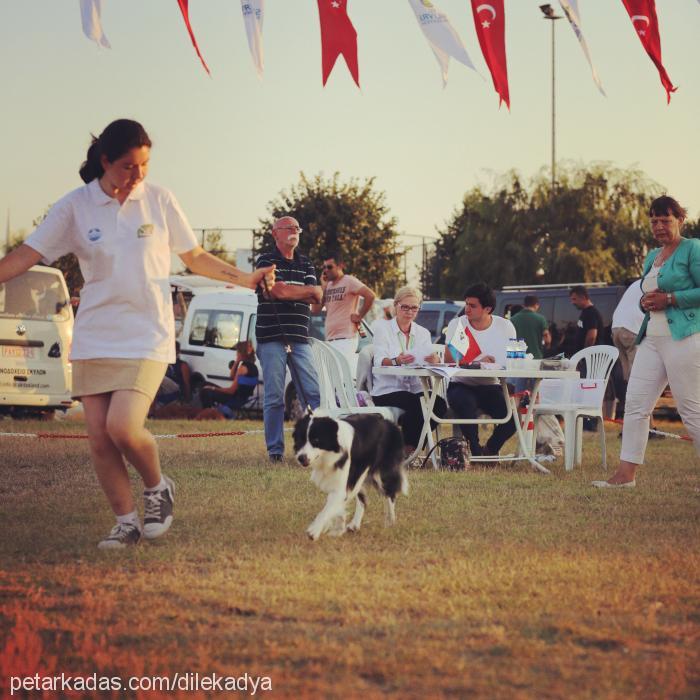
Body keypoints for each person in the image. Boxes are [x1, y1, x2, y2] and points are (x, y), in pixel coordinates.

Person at [0, 119, 274, 549]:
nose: (138, 175)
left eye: (144, 164)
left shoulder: (159, 200)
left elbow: (195, 257)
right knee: (98, 438)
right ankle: (126, 523)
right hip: (95, 333)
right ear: (106, 161)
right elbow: (27, 253)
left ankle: (157, 486)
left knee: (123, 427)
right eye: (129, 166)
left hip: (146, 332)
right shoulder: (75, 206)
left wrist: (245, 278)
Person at [594, 196, 700, 488]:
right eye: (654, 221)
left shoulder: (693, 248)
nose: (659, 226)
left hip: (684, 337)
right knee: (636, 406)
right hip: (651, 338)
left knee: (691, 411)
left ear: (681, 220)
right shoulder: (652, 255)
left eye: (665, 220)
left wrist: (669, 299)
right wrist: (646, 302)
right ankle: (625, 476)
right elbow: (647, 294)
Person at [255, 216, 321, 461]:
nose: (294, 231)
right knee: (274, 397)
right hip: (271, 337)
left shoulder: (306, 263)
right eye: (289, 228)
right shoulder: (266, 260)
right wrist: (303, 292)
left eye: (297, 228)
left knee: (313, 394)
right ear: (275, 233)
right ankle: (275, 452)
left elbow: (318, 296)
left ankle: (315, 446)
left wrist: (291, 292)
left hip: (300, 338)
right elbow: (276, 290)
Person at [444, 283, 517, 457]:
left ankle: (490, 451)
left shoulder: (505, 326)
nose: (467, 309)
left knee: (512, 418)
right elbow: (448, 359)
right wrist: (478, 361)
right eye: (466, 304)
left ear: (488, 309)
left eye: (472, 306)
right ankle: (474, 453)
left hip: (491, 385)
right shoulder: (458, 324)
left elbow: (513, 360)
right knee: (465, 403)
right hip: (461, 384)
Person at [371, 286, 446, 453]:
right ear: (396, 305)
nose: (410, 311)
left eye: (414, 307)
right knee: (416, 404)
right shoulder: (383, 329)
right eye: (405, 306)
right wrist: (397, 360)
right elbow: (379, 361)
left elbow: (428, 360)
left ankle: (409, 447)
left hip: (414, 388)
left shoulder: (422, 333)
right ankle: (408, 449)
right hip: (387, 390)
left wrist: (434, 360)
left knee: (439, 405)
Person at [312, 252, 375, 367]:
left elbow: (370, 295)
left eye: (330, 267)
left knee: (341, 377)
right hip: (330, 340)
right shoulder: (328, 285)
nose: (326, 270)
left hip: (346, 338)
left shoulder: (349, 281)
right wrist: (323, 287)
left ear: (340, 266)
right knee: (333, 378)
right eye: (324, 267)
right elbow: (315, 310)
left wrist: (360, 316)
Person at [610, 280, 645, 418]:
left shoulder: (636, 283)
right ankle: (647, 426)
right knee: (640, 379)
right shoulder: (656, 281)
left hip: (617, 328)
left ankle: (629, 422)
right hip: (631, 328)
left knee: (630, 381)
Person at [199, 340, 259, 416]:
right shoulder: (253, 367)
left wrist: (213, 388)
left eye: (237, 351)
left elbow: (231, 391)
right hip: (242, 398)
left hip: (234, 399)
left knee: (205, 391)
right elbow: (232, 376)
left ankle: (209, 414)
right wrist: (237, 361)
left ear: (241, 353)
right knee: (205, 384)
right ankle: (212, 412)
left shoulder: (243, 368)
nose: (236, 353)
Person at [510, 295, 551, 360]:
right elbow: (546, 337)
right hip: (536, 357)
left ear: (524, 305)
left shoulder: (513, 319)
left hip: (518, 358)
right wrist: (547, 346)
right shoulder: (541, 319)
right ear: (536, 305)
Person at [569, 286, 604, 352]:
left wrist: (584, 354)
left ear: (583, 297)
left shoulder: (591, 313)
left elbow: (591, 337)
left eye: (574, 299)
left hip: (590, 358)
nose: (572, 303)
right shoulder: (585, 312)